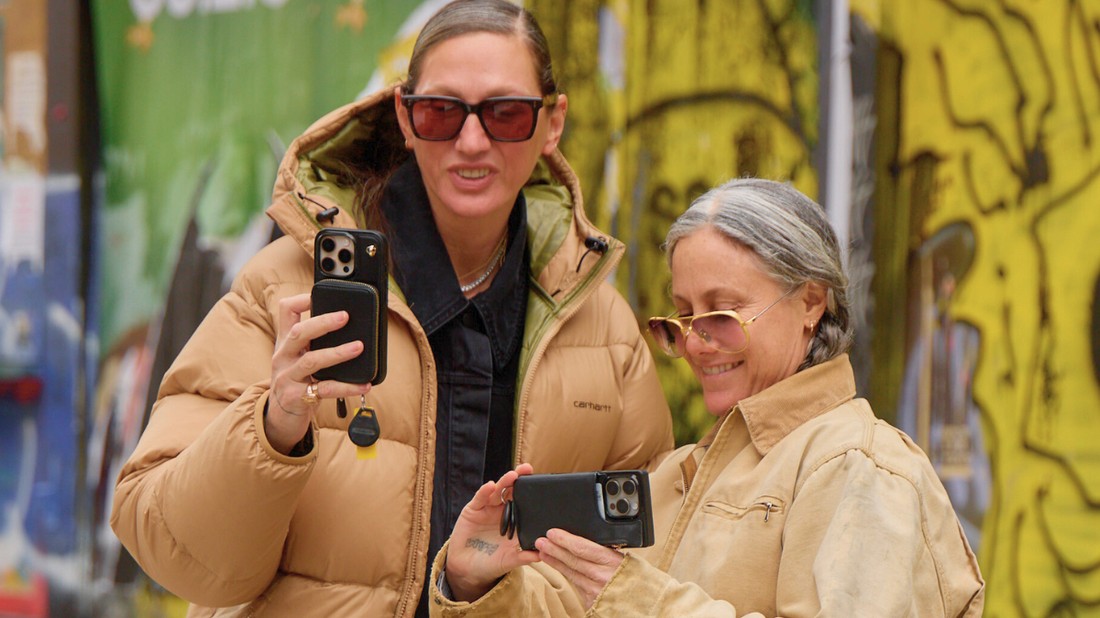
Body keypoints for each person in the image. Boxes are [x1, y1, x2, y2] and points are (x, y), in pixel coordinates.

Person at [109, 1, 673, 616]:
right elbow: (171, 550)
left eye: (507, 113)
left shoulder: (603, 328)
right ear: (405, 115)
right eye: (441, 112)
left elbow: (642, 572)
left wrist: (477, 589)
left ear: (552, 122)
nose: (472, 141)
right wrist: (273, 426)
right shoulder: (282, 286)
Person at [431, 178, 985, 616]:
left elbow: (630, 601)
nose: (697, 343)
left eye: (721, 312)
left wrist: (637, 600)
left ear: (811, 302)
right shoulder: (680, 473)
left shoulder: (859, 466)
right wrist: (476, 579)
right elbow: (583, 605)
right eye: (685, 316)